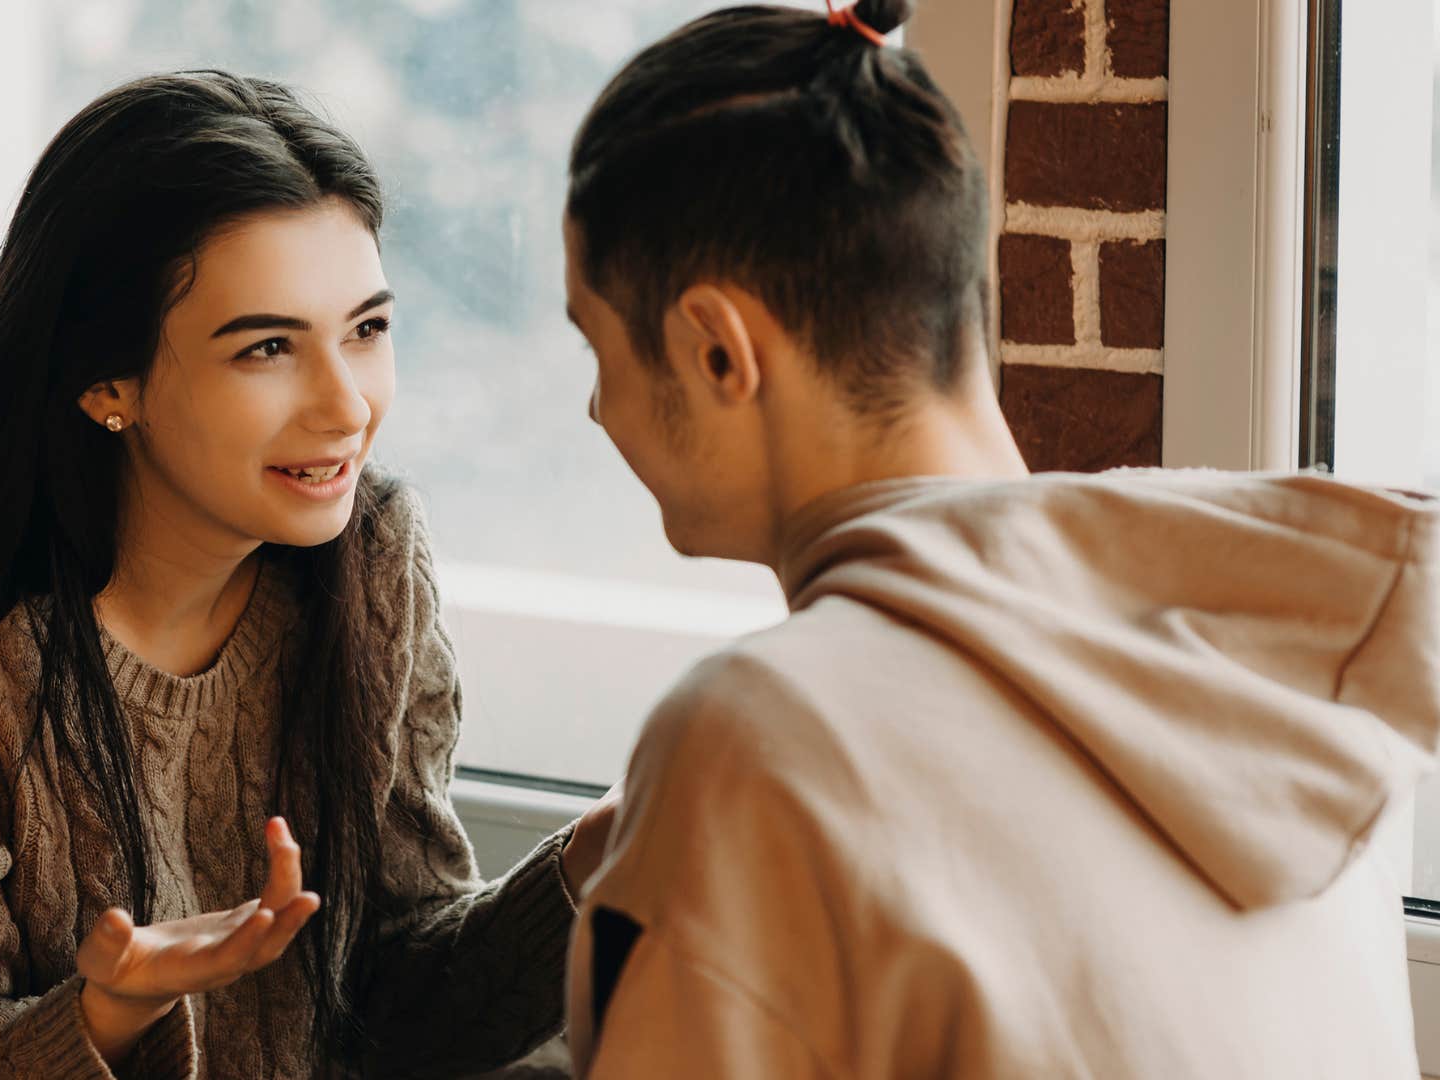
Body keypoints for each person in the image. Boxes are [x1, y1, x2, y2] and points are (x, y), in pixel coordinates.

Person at [559, 2, 1440, 1077]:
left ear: (717, 351)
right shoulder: (1283, 664)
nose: (598, 410)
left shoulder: (766, 736)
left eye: (595, 343)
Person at [0, 72, 614, 1079]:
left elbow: (407, 1011)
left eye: (367, 329)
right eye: (268, 347)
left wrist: (597, 857)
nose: (347, 405)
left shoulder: (376, 557)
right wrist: (105, 1014)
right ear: (108, 384)